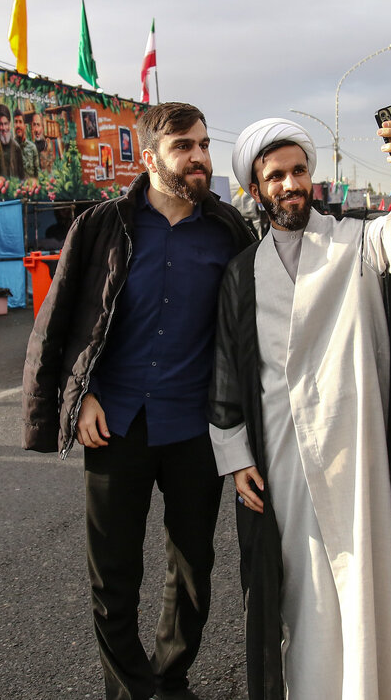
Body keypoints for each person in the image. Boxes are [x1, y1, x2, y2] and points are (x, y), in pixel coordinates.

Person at [209, 114, 391, 700]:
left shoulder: (357, 241)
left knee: (370, 589)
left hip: (361, 454)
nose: (290, 184)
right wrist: (235, 455)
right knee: (304, 597)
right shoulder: (242, 273)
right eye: (275, 176)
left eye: (299, 171)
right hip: (284, 463)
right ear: (255, 190)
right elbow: (226, 367)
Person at [22, 102, 254, 700]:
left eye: (204, 144)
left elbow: (257, 325)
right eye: (184, 146)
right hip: (115, 423)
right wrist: (83, 394)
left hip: (195, 428)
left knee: (193, 568)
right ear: (150, 158)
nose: (200, 156)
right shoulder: (102, 226)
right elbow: (64, 321)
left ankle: (171, 679)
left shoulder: (230, 231)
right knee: (113, 575)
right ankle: (130, 690)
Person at [21, 111, 40, 179]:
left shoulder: (32, 147)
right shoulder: (12, 147)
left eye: (20, 122)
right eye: (16, 122)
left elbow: (37, 171)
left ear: (25, 126)